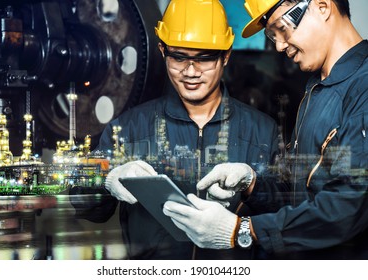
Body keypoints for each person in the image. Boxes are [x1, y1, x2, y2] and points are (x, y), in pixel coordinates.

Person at [72, 0, 280, 260]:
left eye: (204, 59)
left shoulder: (262, 131)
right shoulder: (128, 128)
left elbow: (285, 214)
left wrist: (253, 184)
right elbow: (84, 206)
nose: (190, 72)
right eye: (179, 57)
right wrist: (105, 179)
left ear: (225, 55)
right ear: (162, 50)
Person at [163, 0, 368, 259]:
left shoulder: (363, 87)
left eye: (282, 28)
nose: (280, 45)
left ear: (322, 7)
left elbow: (349, 207)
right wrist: (252, 182)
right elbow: (298, 197)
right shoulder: (317, 90)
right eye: (272, 35)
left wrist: (243, 229)